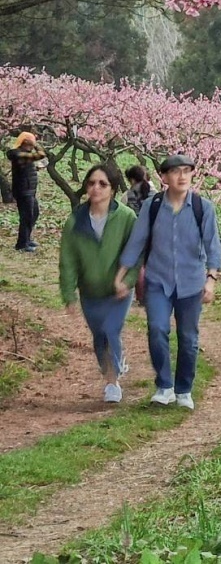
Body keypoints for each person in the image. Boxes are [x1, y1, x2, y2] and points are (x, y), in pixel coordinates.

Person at [114, 154, 221, 410]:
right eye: (175, 172)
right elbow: (137, 242)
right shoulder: (153, 206)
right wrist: (121, 275)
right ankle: (164, 386)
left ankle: (184, 389)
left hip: (191, 282)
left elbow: (212, 245)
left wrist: (211, 279)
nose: (182, 176)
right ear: (164, 178)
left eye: (186, 171)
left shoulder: (202, 207)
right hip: (158, 281)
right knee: (157, 330)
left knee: (188, 337)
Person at [59, 164, 138, 403]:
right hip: (89, 292)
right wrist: (69, 294)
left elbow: (136, 252)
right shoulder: (76, 220)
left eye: (102, 184)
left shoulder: (126, 217)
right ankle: (110, 368)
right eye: (91, 183)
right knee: (99, 336)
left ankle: (112, 383)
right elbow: (68, 259)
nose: (96, 188)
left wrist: (127, 280)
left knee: (110, 329)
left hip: (118, 292)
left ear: (113, 189)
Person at [7, 131, 46, 252]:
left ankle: (27, 239)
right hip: (23, 190)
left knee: (34, 213)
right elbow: (40, 155)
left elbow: (27, 168)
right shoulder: (18, 154)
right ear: (25, 143)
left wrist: (35, 168)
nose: (32, 146)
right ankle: (22, 244)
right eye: (31, 144)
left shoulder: (24, 154)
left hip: (29, 189)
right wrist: (37, 146)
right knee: (26, 216)